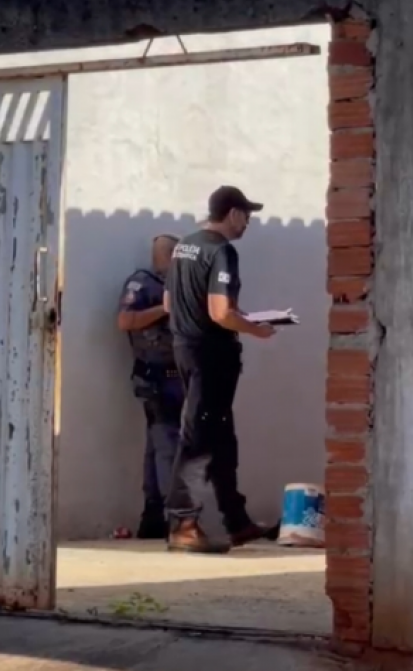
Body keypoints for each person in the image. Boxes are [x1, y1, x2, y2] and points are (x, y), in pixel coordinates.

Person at [163, 186, 276, 553]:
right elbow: (220, 313)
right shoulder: (222, 251)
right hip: (211, 355)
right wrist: (256, 329)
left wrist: (233, 317)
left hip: (186, 348)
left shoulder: (184, 246)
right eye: (247, 216)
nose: (248, 223)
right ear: (233, 213)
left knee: (221, 436)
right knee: (197, 436)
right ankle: (183, 524)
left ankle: (237, 521)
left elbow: (169, 303)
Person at [117, 234, 183, 540]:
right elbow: (125, 321)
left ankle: (153, 516)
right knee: (167, 445)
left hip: (179, 377)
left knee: (157, 446)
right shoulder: (141, 284)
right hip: (154, 378)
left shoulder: (180, 287)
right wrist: (164, 309)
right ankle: (177, 519)